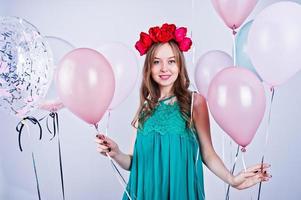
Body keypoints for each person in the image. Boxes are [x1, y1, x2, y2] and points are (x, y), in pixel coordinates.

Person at [95, 23, 271, 200]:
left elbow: (207, 153)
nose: (164, 68)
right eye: (157, 62)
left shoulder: (195, 101)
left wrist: (232, 180)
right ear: (149, 67)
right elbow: (133, 162)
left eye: (171, 61)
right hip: (143, 193)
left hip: (180, 192)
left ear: (180, 66)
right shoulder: (144, 107)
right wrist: (116, 152)